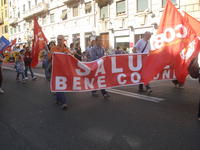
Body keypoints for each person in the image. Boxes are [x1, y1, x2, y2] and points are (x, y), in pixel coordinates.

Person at [50, 35, 71, 110]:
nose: (59, 41)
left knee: (60, 86)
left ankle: (58, 99)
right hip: (55, 70)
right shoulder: (53, 48)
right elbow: (49, 58)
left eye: (60, 39)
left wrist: (68, 55)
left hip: (63, 70)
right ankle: (64, 102)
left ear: (63, 40)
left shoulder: (66, 49)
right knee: (59, 86)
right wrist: (51, 55)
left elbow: (71, 58)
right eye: (58, 39)